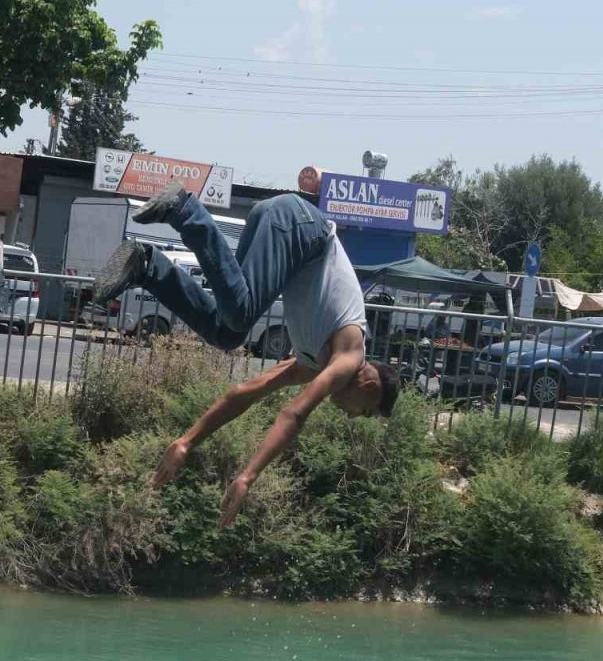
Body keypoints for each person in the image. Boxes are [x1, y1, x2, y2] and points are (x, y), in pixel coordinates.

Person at [93, 183, 401, 527]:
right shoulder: (348, 356)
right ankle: (184, 211)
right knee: (240, 315)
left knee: (228, 332)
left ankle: (148, 268)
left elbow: (244, 394)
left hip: (283, 224)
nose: (352, 415)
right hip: (300, 226)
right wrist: (247, 477)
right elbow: (294, 415)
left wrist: (186, 442)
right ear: (370, 387)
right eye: (363, 413)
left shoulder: (312, 364)